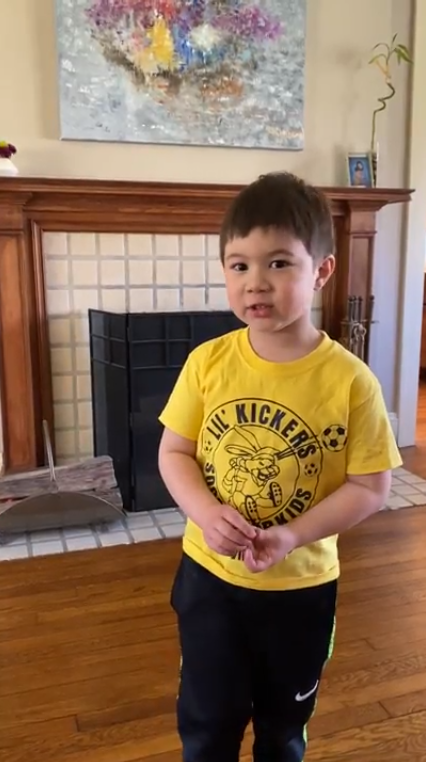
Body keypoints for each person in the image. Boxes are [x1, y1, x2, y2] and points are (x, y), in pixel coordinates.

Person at [158, 171, 401, 762]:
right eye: (238, 265)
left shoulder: (351, 381)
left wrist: (292, 535)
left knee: (283, 730)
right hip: (209, 581)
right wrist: (205, 511)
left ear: (322, 270)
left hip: (301, 591)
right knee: (207, 724)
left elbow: (371, 486)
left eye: (279, 264)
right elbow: (174, 452)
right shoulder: (207, 362)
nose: (255, 282)